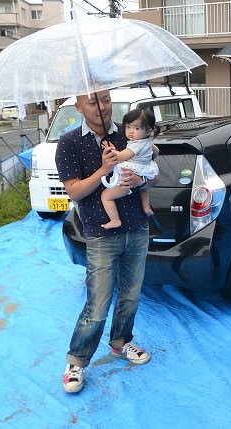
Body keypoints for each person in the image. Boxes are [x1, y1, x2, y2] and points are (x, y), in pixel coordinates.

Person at [55, 90, 153, 394]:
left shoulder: (128, 134)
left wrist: (142, 181)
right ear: (79, 106)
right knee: (97, 305)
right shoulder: (70, 142)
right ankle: (77, 361)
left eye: (107, 99)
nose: (102, 107)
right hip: (100, 234)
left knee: (131, 296)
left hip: (137, 228)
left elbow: (150, 169)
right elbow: (75, 192)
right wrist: (103, 169)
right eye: (94, 101)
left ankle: (121, 342)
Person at [101, 108, 159, 227]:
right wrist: (147, 158)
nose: (131, 131)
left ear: (148, 131)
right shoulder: (147, 141)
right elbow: (156, 151)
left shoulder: (136, 145)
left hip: (129, 176)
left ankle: (115, 220)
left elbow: (121, 157)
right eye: (128, 127)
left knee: (106, 196)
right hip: (145, 168)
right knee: (143, 188)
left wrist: (111, 149)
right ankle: (146, 207)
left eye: (136, 128)